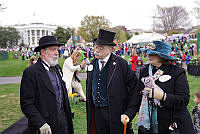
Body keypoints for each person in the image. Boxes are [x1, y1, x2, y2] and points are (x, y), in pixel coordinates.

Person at [86, 29, 140, 134]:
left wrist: (129, 112)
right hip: (96, 112)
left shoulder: (121, 64)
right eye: (96, 47)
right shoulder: (92, 63)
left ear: (110, 49)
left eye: (100, 48)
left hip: (115, 113)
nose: (96, 50)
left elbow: (135, 89)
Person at [137, 41, 194, 134]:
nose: (148, 55)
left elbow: (184, 100)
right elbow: (137, 93)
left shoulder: (177, 72)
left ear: (162, 56)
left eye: (152, 53)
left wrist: (163, 96)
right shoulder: (144, 71)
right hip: (149, 123)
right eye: (147, 52)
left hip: (173, 124)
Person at [20, 36, 73, 134]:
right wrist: (41, 123)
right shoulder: (31, 72)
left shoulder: (57, 68)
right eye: (53, 50)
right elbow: (26, 103)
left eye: (57, 49)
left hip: (63, 122)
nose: (57, 52)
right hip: (46, 126)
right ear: (43, 52)